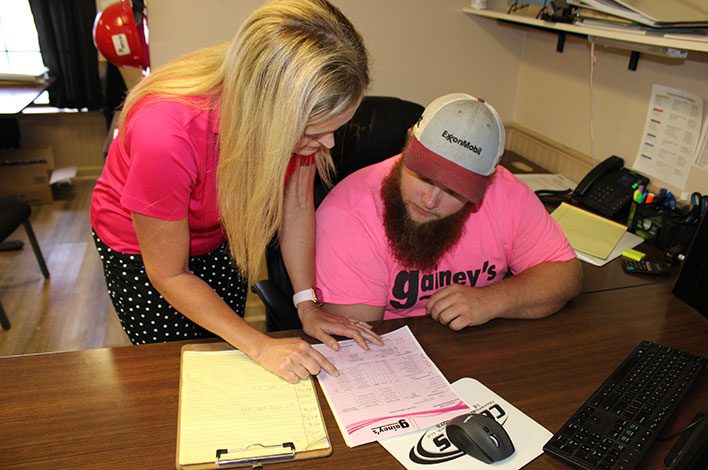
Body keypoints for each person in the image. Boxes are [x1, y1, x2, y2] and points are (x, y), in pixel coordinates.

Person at [90, 0, 381, 384]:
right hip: (143, 253)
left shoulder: (284, 121)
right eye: (312, 133)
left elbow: (295, 208)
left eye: (334, 128)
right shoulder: (164, 133)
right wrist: (261, 346)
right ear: (266, 111)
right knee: (174, 375)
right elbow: (170, 273)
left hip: (216, 228)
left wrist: (306, 304)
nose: (327, 143)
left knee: (225, 350)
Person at [314, 93, 582, 333]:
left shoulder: (507, 194)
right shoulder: (348, 213)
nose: (430, 201)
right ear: (408, 144)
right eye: (424, 177)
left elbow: (565, 275)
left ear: (487, 182)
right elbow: (359, 337)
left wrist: (491, 300)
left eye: (454, 191)